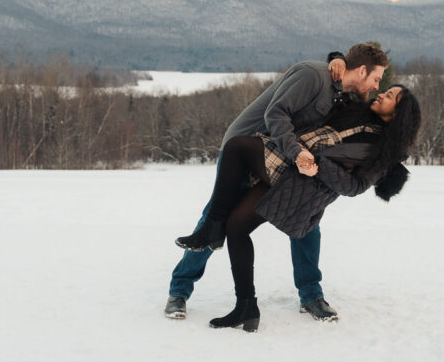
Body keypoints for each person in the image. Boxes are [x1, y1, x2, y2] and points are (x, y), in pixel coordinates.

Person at [164, 43, 389, 322]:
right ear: (363, 70)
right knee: (215, 219)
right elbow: (276, 114)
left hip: (282, 157)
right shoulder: (312, 75)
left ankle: (311, 296)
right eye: (376, 79)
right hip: (247, 149)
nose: (377, 87)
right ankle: (179, 291)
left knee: (308, 222)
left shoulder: (341, 92)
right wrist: (297, 154)